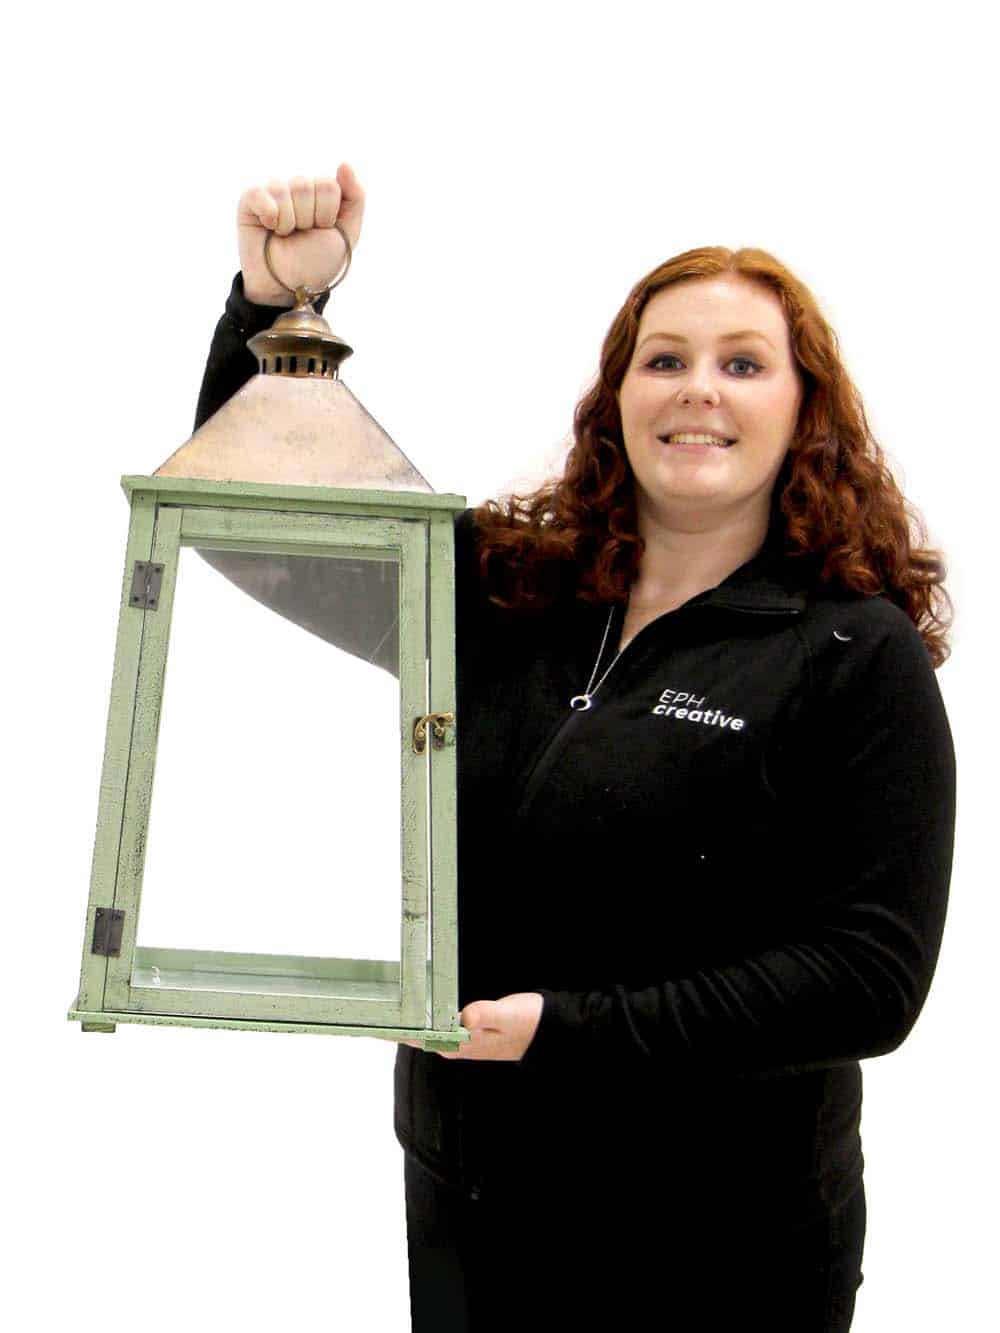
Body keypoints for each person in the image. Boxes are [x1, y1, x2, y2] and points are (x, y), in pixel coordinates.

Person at [193, 168, 957, 1332]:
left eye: (743, 363)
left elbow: (869, 979)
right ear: (616, 397)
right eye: (665, 358)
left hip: (720, 1240)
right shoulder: (507, 594)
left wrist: (568, 1030)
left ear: (806, 409)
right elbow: (253, 518)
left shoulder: (852, 650)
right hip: (473, 1203)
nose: (697, 388)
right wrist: (271, 310)